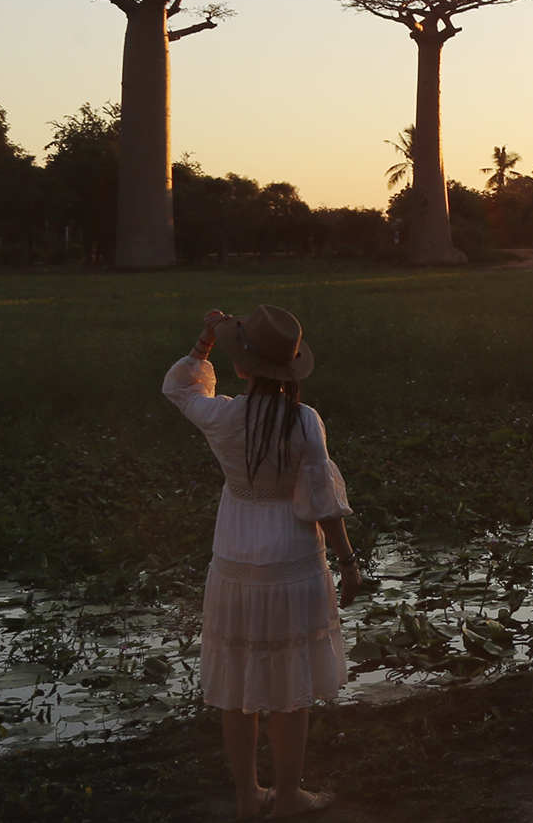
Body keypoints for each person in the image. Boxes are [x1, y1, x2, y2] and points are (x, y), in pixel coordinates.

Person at [167, 306, 362, 821]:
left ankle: (247, 797)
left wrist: (202, 343)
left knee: (238, 684)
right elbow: (323, 500)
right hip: (293, 556)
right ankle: (290, 795)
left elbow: (179, 388)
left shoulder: (222, 414)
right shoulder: (303, 419)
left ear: (244, 363)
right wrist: (348, 563)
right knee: (288, 688)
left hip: (235, 553)